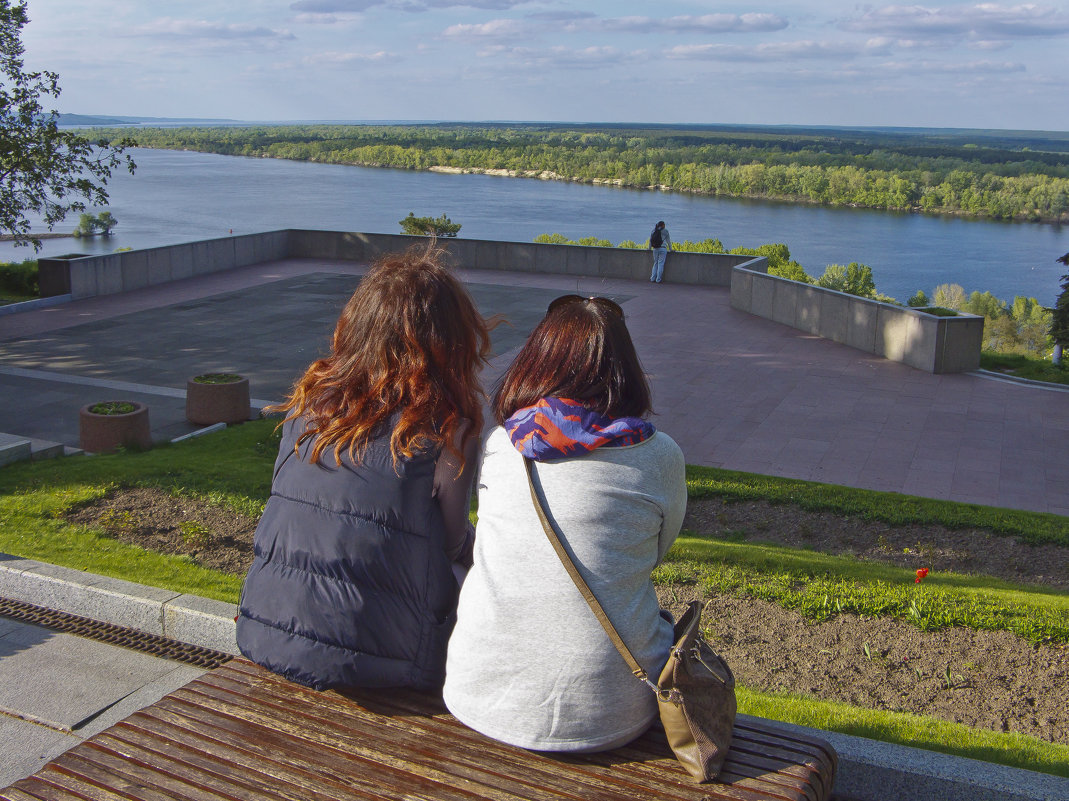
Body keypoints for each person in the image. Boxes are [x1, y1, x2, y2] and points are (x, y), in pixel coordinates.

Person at [236, 244, 491, 692]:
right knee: (473, 575)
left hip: (266, 629)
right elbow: (450, 544)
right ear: (450, 342)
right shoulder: (449, 432)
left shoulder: (307, 410)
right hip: (389, 663)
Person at [443, 294, 687, 752]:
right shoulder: (657, 457)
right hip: (609, 710)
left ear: (537, 362)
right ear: (625, 371)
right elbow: (654, 551)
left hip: (476, 690)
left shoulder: (501, 444)